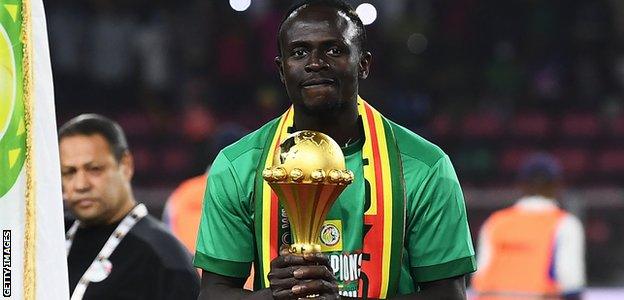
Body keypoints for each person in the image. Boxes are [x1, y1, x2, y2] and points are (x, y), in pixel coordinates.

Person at [194, 0, 476, 299]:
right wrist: (275, 297)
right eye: (299, 52)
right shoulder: (237, 166)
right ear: (281, 69)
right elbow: (213, 292)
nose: (315, 62)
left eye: (334, 50)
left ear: (364, 64)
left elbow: (449, 294)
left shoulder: (425, 167)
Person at [59, 114, 200, 300]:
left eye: (94, 169)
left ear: (126, 165)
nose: (81, 184)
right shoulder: (45, 243)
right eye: (69, 172)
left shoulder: (167, 261)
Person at [472, 153, 586, 299]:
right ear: (557, 185)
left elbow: (479, 275)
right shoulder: (565, 224)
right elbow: (571, 283)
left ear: (522, 184)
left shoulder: (495, 222)